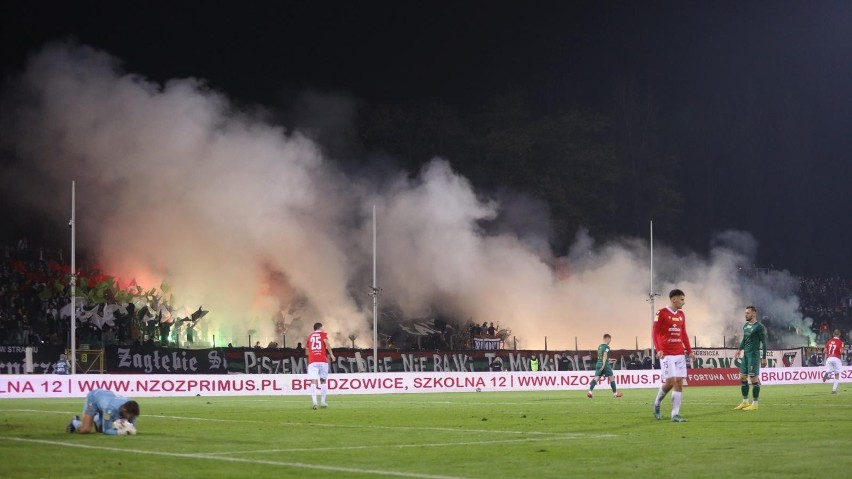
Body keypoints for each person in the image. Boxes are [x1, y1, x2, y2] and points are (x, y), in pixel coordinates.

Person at [652, 289, 694, 422]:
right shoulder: (661, 313)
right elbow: (655, 332)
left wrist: (690, 351)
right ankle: (657, 403)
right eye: (682, 299)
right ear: (674, 299)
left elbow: (684, 334)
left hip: (679, 353)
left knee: (679, 383)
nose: (683, 302)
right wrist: (658, 349)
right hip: (666, 353)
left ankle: (675, 414)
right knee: (670, 381)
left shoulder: (681, 314)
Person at [733, 305, 768, 411]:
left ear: (753, 314)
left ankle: (755, 404)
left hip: (754, 355)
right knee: (742, 377)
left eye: (747, 313)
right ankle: (745, 402)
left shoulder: (759, 327)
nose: (745, 315)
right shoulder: (746, 326)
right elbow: (744, 339)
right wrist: (739, 349)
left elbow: (764, 343)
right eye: (745, 313)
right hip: (746, 355)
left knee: (753, 379)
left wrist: (764, 358)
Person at [66, 389, 140, 435]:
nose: (131, 418)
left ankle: (96, 419)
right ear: (124, 410)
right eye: (130, 416)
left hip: (105, 400)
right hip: (93, 399)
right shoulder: (110, 409)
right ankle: (75, 421)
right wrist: (119, 432)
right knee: (85, 430)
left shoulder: (130, 406)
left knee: (100, 430)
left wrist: (131, 429)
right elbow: (106, 430)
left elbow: (131, 426)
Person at [306, 322, 335, 409]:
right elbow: (327, 344)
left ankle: (314, 402)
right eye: (323, 327)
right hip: (322, 360)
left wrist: (311, 356)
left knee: (313, 381)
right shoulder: (323, 335)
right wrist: (332, 355)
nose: (323, 329)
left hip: (312, 361)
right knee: (323, 381)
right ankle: (323, 402)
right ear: (320, 328)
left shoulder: (309, 336)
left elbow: (307, 350)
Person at [587, 334, 622, 398]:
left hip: (598, 363)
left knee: (596, 378)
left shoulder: (599, 346)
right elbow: (605, 355)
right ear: (607, 338)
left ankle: (590, 392)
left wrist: (610, 360)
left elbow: (600, 356)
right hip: (605, 365)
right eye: (610, 340)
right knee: (611, 378)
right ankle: (615, 393)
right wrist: (603, 364)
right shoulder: (607, 347)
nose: (610, 341)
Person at [823, 329, 844, 394]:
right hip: (836, 358)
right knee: (837, 374)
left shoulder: (829, 341)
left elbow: (824, 351)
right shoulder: (840, 342)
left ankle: (828, 374)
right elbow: (841, 352)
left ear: (833, 334)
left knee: (829, 371)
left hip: (829, 358)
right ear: (839, 334)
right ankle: (834, 390)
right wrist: (843, 352)